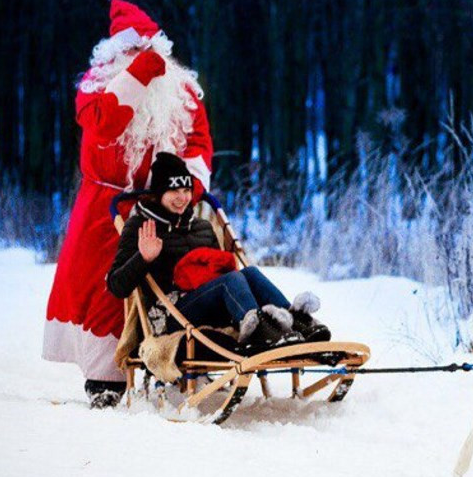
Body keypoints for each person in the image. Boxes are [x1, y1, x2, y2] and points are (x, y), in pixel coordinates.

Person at [43, 0, 214, 408]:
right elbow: (105, 124)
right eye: (137, 54)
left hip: (170, 203)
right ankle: (105, 375)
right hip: (108, 205)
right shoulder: (95, 88)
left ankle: (191, 354)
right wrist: (138, 75)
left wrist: (184, 189)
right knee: (106, 289)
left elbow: (199, 146)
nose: (149, 61)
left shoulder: (181, 91)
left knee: (185, 274)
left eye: (152, 52)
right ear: (118, 55)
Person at [106, 153, 330, 373]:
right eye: (173, 190)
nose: (182, 197)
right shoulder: (140, 227)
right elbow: (116, 286)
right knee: (229, 281)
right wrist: (143, 258)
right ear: (158, 193)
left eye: (186, 190)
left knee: (249, 272)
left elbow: (218, 275)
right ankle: (259, 333)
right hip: (169, 316)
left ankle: (297, 323)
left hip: (207, 307)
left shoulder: (202, 227)